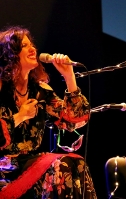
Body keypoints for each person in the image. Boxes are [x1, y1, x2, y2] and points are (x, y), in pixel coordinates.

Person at [0, 25, 97, 199]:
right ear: (10, 55)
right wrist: (20, 116)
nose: (32, 49)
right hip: (5, 168)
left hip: (32, 165)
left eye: (32, 45)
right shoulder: (1, 89)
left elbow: (75, 121)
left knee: (77, 163)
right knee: (62, 165)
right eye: (24, 46)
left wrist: (69, 77)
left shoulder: (40, 91)